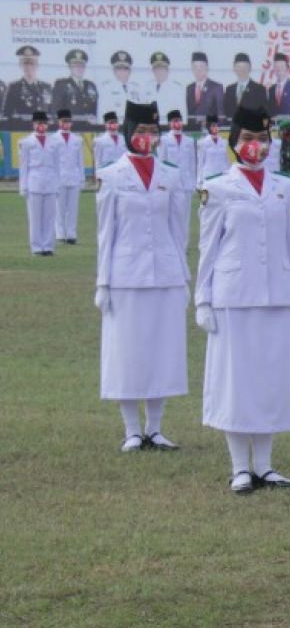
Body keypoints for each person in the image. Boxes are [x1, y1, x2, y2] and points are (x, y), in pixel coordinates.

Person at [196, 103, 290, 494]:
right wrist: (203, 300)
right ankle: (240, 466)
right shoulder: (219, 187)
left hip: (276, 293)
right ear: (234, 142)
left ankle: (266, 464)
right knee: (237, 381)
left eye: (262, 139)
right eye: (248, 139)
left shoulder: (284, 186)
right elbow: (208, 248)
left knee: (271, 380)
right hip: (234, 296)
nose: (256, 146)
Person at [94, 101, 189, 452]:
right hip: (125, 275)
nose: (147, 138)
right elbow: (106, 233)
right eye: (141, 132)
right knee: (128, 352)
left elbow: (180, 231)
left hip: (164, 274)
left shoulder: (171, 175)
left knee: (161, 351)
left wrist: (183, 276)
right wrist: (103, 283)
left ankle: (156, 427)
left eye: (153, 131)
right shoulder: (111, 175)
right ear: (129, 134)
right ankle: (132, 428)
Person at [18, 110, 58, 256]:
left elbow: (57, 165)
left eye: (44, 123)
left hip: (50, 181)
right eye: (38, 123)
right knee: (35, 218)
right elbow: (23, 166)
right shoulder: (26, 142)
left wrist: (57, 185)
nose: (41, 125)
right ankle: (36, 247)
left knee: (49, 217)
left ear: (47, 125)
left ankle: (48, 246)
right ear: (33, 124)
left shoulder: (53, 142)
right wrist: (23, 186)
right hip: (34, 181)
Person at [158, 109, 198, 245]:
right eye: (175, 121)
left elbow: (192, 163)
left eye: (179, 121)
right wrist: (162, 183)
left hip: (186, 183)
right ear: (170, 123)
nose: (177, 124)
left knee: (185, 216)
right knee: (169, 214)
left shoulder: (189, 140)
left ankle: (183, 244)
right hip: (170, 184)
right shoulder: (164, 140)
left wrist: (194, 182)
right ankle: (169, 243)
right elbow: (161, 162)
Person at [50, 109, 84, 245]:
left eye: (69, 121)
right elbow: (51, 161)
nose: (67, 124)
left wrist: (82, 178)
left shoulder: (77, 139)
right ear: (59, 122)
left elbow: (80, 161)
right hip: (59, 177)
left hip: (74, 176)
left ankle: (71, 234)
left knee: (73, 207)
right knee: (59, 207)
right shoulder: (52, 139)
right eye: (64, 121)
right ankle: (60, 233)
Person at [5, 45, 52, 121]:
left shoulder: (46, 87)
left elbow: (51, 112)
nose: (29, 67)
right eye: (26, 64)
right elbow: (7, 114)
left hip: (42, 128)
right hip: (21, 129)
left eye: (32, 64)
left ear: (37, 65)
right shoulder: (14, 87)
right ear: (21, 65)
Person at [51, 49, 98, 124]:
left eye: (81, 65)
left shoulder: (91, 85)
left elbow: (95, 111)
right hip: (69, 129)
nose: (79, 68)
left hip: (88, 131)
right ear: (70, 66)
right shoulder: (61, 84)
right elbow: (55, 112)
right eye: (75, 65)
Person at [96, 51, 140, 124]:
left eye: (125, 68)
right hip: (115, 129)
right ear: (114, 70)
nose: (122, 71)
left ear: (130, 71)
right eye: (119, 68)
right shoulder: (105, 89)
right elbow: (101, 115)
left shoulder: (137, 88)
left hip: (133, 129)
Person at [144, 52, 187, 125]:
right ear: (153, 70)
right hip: (151, 127)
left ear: (167, 70)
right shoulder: (147, 87)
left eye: (162, 69)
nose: (159, 71)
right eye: (156, 69)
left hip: (169, 127)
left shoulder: (176, 88)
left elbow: (183, 114)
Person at [222, 53, 268, 119]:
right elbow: (226, 112)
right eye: (239, 67)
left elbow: (264, 113)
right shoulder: (229, 89)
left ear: (250, 68)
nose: (242, 70)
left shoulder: (259, 89)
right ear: (234, 68)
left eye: (245, 67)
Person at [186, 52, 223, 126]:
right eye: (195, 67)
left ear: (207, 68)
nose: (198, 70)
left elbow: (221, 114)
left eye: (201, 67)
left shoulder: (216, 87)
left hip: (210, 130)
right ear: (192, 69)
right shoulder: (189, 88)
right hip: (192, 131)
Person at [266, 52, 290, 118]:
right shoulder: (271, 89)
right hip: (274, 127)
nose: (278, 69)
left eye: (281, 66)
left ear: (287, 68)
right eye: (276, 67)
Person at [196, 115, 229, 186]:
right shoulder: (202, 142)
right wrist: (199, 180)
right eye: (213, 126)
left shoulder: (224, 142)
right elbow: (200, 163)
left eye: (217, 125)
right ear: (209, 127)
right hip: (209, 177)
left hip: (222, 177)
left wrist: (229, 175)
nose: (216, 128)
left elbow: (226, 160)